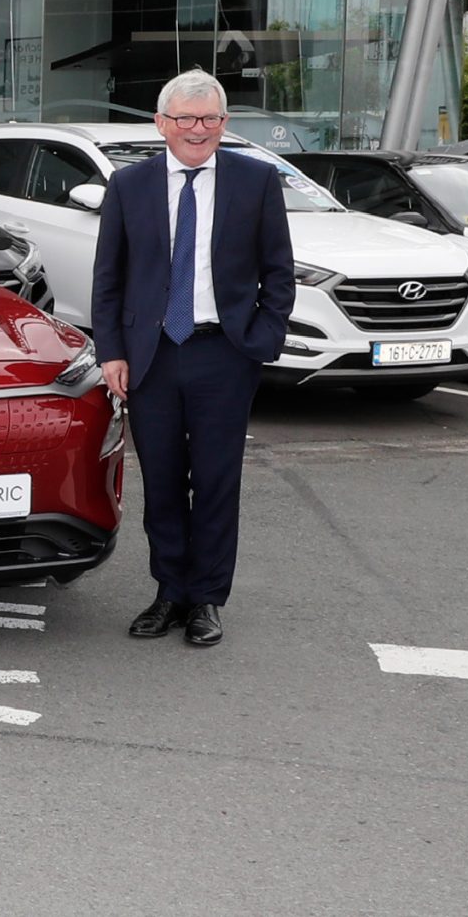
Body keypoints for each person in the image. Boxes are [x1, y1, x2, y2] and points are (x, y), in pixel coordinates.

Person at [90, 69, 293, 648]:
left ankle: (206, 598)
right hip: (151, 355)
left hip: (223, 353)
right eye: (185, 119)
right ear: (161, 124)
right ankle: (169, 592)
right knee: (161, 480)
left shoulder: (255, 181)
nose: (197, 130)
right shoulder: (130, 186)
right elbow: (109, 280)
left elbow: (279, 272)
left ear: (224, 124)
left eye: (209, 119)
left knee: (215, 480)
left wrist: (262, 338)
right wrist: (112, 352)